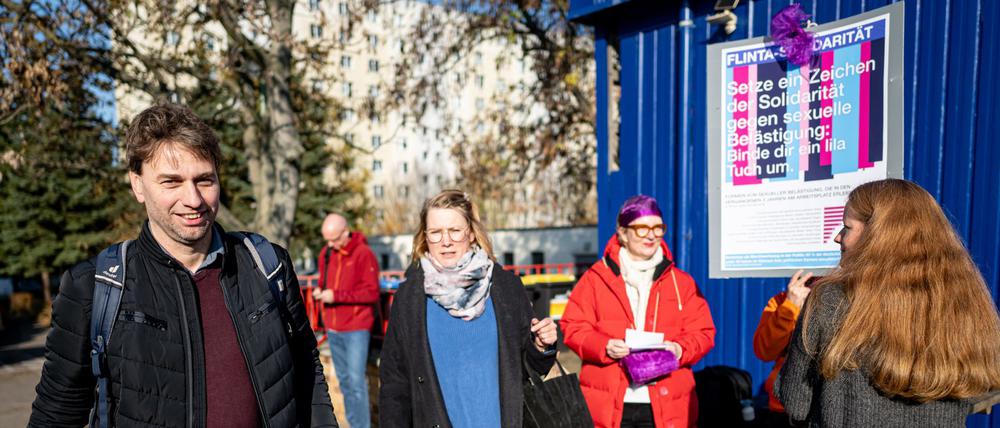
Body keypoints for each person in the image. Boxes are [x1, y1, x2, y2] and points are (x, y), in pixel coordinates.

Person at [29, 104, 337, 427]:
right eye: (171, 182)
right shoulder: (94, 288)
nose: (193, 199)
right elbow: (55, 414)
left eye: (204, 180)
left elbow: (306, 372)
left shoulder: (268, 267)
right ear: (137, 184)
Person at [776, 178, 1000, 427]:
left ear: (878, 236)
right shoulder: (965, 304)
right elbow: (979, 387)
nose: (838, 238)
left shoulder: (831, 300)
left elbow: (795, 400)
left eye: (847, 228)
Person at [378, 189, 558, 427]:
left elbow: (527, 371)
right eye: (435, 232)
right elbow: (394, 384)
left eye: (454, 231)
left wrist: (541, 347)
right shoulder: (409, 298)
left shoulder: (505, 287)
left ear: (471, 233)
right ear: (425, 236)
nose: (445, 241)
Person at [561, 194, 716, 428]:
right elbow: (573, 327)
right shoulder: (596, 278)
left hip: (667, 403)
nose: (651, 235)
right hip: (610, 401)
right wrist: (603, 346)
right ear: (622, 233)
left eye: (657, 228)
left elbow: (703, 332)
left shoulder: (681, 282)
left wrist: (679, 349)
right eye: (642, 228)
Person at [312, 213, 379, 428]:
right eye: (327, 240)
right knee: (345, 383)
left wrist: (336, 296)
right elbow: (326, 282)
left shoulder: (364, 254)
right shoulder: (326, 254)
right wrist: (320, 292)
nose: (330, 244)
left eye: (334, 239)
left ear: (346, 232)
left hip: (356, 327)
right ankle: (353, 423)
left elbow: (371, 293)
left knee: (356, 383)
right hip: (333, 327)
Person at [752, 269, 813, 428]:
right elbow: (764, 350)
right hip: (784, 409)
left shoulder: (849, 295)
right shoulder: (781, 301)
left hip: (830, 407)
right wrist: (791, 306)